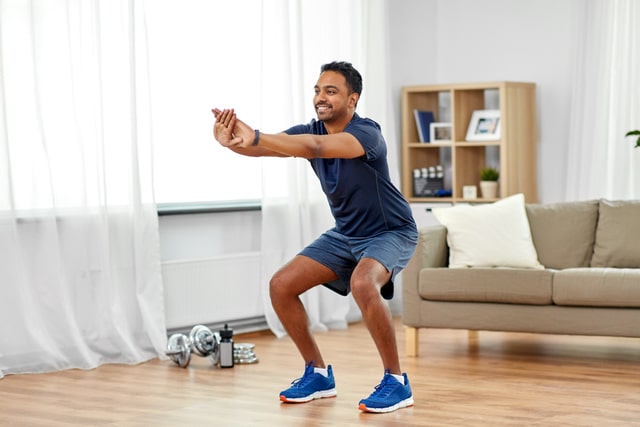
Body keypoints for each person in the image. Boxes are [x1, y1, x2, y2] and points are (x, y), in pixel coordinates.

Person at [212, 61, 418, 413]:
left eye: (331, 91)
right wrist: (232, 143)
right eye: (317, 90)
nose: (320, 98)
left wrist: (257, 136)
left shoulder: (367, 134)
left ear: (352, 100)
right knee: (281, 285)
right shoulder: (310, 129)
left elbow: (315, 147)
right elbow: (268, 147)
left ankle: (396, 382)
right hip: (346, 234)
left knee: (363, 283)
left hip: (390, 231)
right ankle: (318, 373)